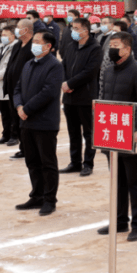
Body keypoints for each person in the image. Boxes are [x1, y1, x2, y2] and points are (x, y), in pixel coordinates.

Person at [97, 31, 137, 241]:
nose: (111, 49)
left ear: (128, 49)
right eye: (110, 44)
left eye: (116, 45)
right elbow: (103, 100)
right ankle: (120, 221)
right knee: (117, 181)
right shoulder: (109, 70)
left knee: (135, 182)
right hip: (112, 135)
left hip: (131, 136)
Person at [13, 31, 64, 215]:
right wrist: (19, 106)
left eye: (37, 41)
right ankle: (37, 195)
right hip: (26, 122)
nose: (33, 44)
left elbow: (48, 92)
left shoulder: (54, 66)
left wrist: (27, 109)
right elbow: (18, 88)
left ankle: (50, 199)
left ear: (48, 46)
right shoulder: (28, 63)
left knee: (47, 162)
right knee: (32, 161)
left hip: (44, 122)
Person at [60, 17, 102, 177]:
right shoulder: (71, 46)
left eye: (76, 28)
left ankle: (88, 164)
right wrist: (64, 82)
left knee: (89, 132)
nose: (73, 31)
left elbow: (90, 72)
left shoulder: (95, 48)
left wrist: (70, 84)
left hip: (86, 96)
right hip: (69, 97)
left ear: (85, 30)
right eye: (72, 27)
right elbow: (63, 65)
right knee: (73, 132)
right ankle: (75, 162)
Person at [5, 18, 34, 158]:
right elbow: (10, 66)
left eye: (18, 27)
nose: (16, 30)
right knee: (16, 119)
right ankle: (23, 148)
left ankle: (29, 149)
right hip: (13, 90)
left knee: (25, 121)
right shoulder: (17, 45)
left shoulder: (33, 46)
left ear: (26, 30)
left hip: (25, 89)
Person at [0, 26, 17, 146]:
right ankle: (5, 134)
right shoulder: (0, 47)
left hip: (8, 83)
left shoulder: (15, 48)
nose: (3, 37)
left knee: (12, 113)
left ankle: (14, 135)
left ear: (13, 36)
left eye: (6, 35)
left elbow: (9, 67)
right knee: (4, 112)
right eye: (2, 35)